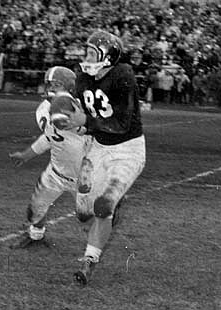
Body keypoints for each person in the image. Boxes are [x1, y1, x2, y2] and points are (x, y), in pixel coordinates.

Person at [52, 30, 145, 285]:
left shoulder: (122, 75)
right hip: (97, 147)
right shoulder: (83, 78)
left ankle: (88, 262)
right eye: (87, 51)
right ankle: (112, 208)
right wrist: (75, 123)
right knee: (83, 213)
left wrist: (86, 121)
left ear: (108, 56)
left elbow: (121, 123)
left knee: (104, 207)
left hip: (127, 149)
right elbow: (88, 116)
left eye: (93, 52)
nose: (87, 57)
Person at [9, 66, 88, 248]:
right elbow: (49, 137)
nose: (51, 88)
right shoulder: (43, 109)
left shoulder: (80, 106)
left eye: (57, 84)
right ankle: (36, 236)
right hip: (57, 172)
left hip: (85, 175)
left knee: (90, 216)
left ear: (69, 86)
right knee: (34, 210)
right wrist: (26, 155)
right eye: (50, 84)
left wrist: (79, 121)